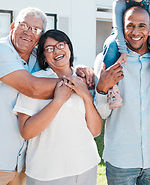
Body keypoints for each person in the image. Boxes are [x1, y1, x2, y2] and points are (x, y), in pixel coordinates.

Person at [0, 7, 93, 185]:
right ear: (12, 27)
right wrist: (76, 83)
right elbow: (32, 87)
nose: (28, 32)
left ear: (39, 37)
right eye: (23, 25)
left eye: (35, 29)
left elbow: (58, 61)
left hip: (21, 161)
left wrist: (80, 70)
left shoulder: (35, 58)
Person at [95, 6, 150, 185]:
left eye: (142, 26)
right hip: (120, 160)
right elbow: (102, 113)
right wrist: (102, 89)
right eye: (130, 25)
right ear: (121, 28)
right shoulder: (107, 63)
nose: (136, 31)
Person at [13, 29, 102, 184]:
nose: (57, 50)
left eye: (61, 44)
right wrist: (58, 101)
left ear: (69, 48)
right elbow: (26, 131)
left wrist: (86, 96)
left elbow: (95, 131)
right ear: (44, 57)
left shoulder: (84, 79)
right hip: (47, 171)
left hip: (86, 165)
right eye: (49, 48)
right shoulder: (35, 82)